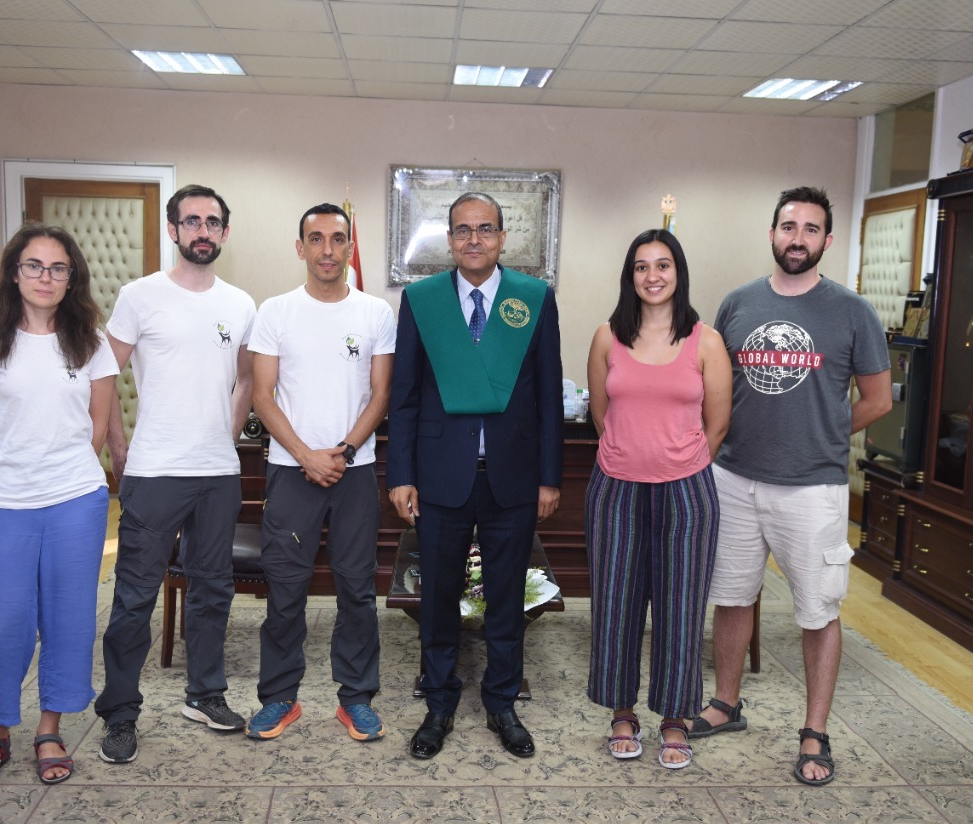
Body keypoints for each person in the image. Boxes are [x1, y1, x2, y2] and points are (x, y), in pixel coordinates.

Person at [689, 186, 891, 786]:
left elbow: (878, 399)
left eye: (810, 229)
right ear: (772, 233)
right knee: (731, 596)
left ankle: (814, 731)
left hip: (811, 488)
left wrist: (822, 434)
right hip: (734, 476)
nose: (797, 238)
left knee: (817, 610)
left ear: (826, 240)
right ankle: (726, 704)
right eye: (788, 226)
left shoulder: (852, 311)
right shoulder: (738, 303)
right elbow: (715, 386)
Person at [388, 191, 564, 760]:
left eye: (485, 229)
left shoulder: (534, 299)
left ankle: (502, 702)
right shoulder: (422, 302)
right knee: (438, 598)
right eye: (463, 230)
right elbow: (405, 396)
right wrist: (400, 474)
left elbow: (548, 395)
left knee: (506, 600)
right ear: (449, 238)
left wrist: (549, 478)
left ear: (502, 237)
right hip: (441, 477)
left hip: (513, 477)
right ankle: (439, 703)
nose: (474, 239)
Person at [93, 184, 256, 763]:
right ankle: (120, 712)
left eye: (212, 222)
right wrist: (118, 447)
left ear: (224, 233)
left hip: (218, 474)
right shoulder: (139, 296)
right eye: (191, 221)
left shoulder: (240, 303)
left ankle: (205, 695)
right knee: (134, 599)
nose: (202, 231)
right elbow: (102, 375)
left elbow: (246, 378)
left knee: (212, 592)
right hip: (155, 470)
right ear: (173, 230)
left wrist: (227, 434)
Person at [0, 223, 117, 790]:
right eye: (34, 265)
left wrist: (62, 473)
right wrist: (22, 473)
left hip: (76, 499)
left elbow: (97, 426)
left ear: (72, 278)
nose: (45, 277)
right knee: (3, 624)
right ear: (14, 273)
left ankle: (50, 729)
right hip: (6, 501)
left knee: (69, 619)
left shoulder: (91, 343)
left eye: (57, 268)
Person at [244, 203, 396, 743]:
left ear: (350, 246)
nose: (327, 249)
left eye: (337, 239)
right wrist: (307, 455)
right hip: (291, 471)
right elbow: (262, 396)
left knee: (357, 589)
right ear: (300, 247)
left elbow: (381, 394)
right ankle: (279, 697)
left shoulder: (375, 312)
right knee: (286, 590)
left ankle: (356, 697)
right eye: (316, 238)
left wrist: (344, 451)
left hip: (355, 472)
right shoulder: (275, 311)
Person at [585, 229, 731, 769]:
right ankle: (622, 713)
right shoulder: (607, 337)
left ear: (678, 273)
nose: (652, 276)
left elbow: (718, 424)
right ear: (630, 276)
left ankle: (674, 718)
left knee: (681, 606)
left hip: (687, 494)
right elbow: (600, 412)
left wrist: (676, 460)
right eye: (642, 266)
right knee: (616, 604)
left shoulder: (706, 341)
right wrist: (629, 452)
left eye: (662, 265)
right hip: (615, 490)